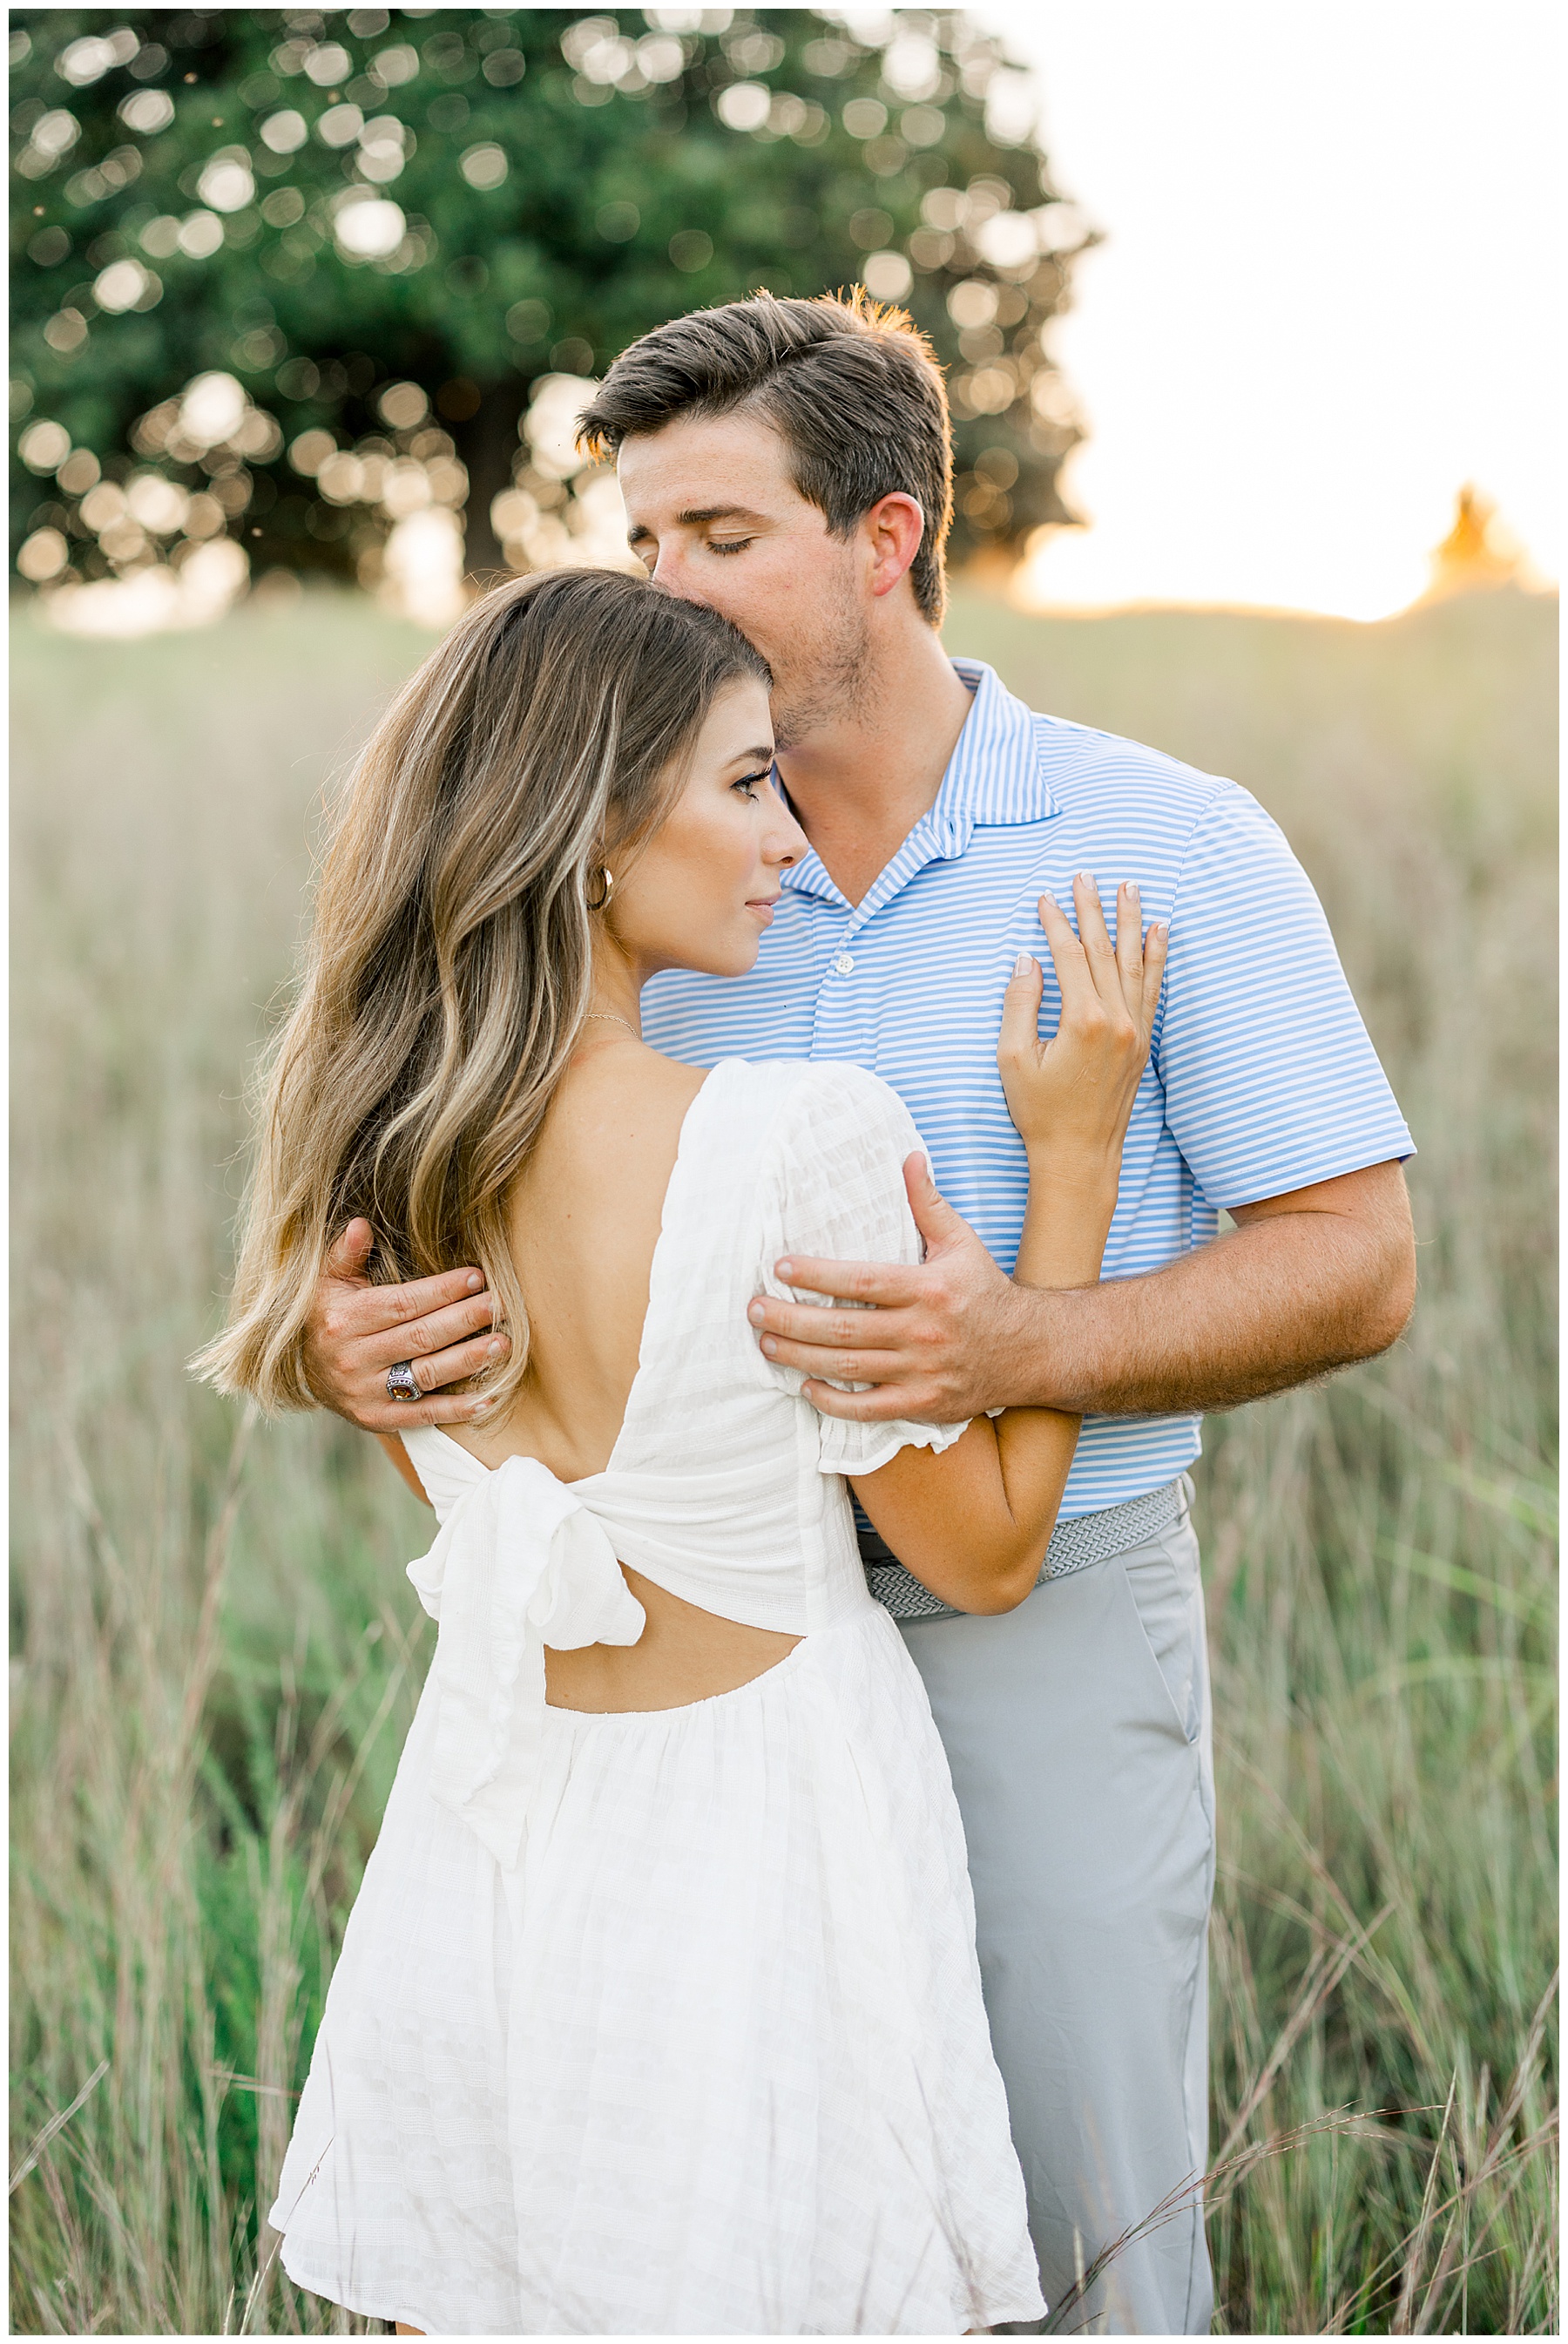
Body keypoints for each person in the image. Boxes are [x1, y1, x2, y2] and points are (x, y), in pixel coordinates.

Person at [301, 295, 1417, 2333]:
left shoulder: (1164, 844)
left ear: (885, 538)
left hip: (1035, 1613)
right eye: (642, 540)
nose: (665, 585)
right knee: (760, 2223)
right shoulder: (643, 866)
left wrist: (1028, 1345)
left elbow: (1360, 1255)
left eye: (719, 537)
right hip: (680, 1663)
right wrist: (356, 1353)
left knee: (1074, 2238)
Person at [197, 564, 1171, 2336]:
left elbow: (462, 1477)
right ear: (592, 825)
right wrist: (1079, 1159)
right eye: (742, 782)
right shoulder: (798, 1140)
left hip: (498, 1829)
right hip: (763, 1841)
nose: (788, 836)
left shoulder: (386, 1158)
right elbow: (987, 1549)